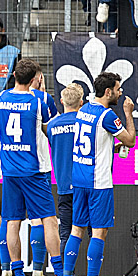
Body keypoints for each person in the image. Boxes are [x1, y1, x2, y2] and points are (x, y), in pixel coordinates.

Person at [61, 72, 135, 276]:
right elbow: (130, 140)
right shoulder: (107, 116)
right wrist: (128, 114)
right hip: (98, 181)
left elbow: (95, 141)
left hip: (79, 178)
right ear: (108, 92)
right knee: (99, 232)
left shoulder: (83, 110)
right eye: (118, 89)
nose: (120, 92)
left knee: (76, 229)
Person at [0, 58, 62, 276]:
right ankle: (60, 272)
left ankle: (17, 273)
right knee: (48, 220)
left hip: (10, 169)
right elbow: (52, 129)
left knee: (12, 221)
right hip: (35, 169)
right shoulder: (40, 101)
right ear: (34, 79)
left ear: (14, 75)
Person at [46, 83, 83, 250]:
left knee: (65, 232)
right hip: (84, 185)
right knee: (93, 231)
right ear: (81, 102)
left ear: (61, 101)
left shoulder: (53, 126)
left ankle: (65, 274)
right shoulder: (85, 123)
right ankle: (93, 274)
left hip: (63, 187)